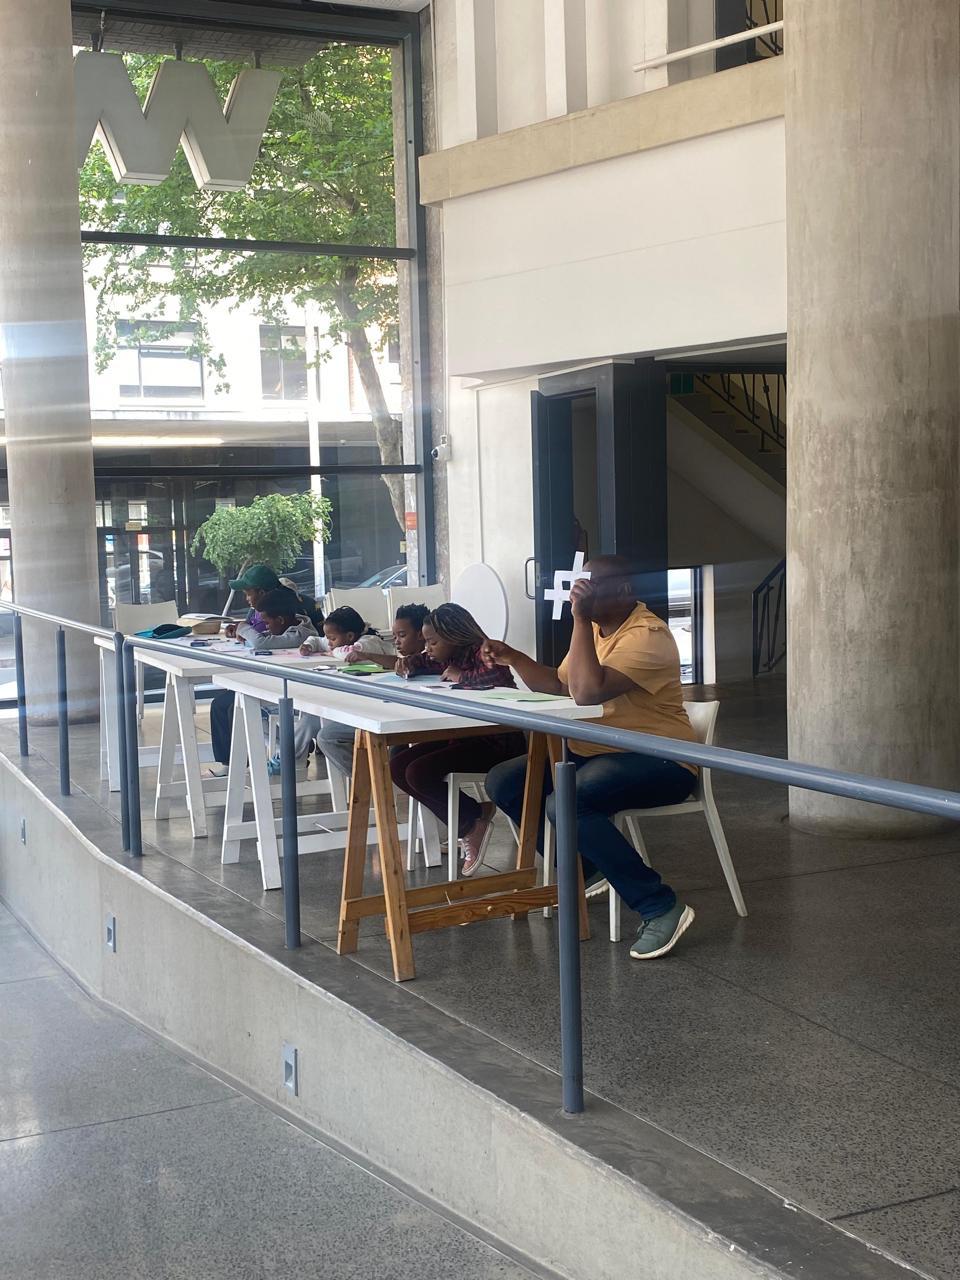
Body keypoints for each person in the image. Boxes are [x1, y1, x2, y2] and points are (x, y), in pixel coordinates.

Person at [482, 556, 699, 959]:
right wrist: (514, 657)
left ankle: (660, 905)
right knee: (506, 782)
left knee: (569, 799)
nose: (578, 593)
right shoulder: (598, 631)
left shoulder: (647, 635)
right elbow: (559, 684)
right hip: (598, 752)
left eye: (589, 586)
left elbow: (586, 693)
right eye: (578, 585)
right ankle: (589, 869)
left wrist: (579, 620)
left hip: (660, 758)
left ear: (623, 590)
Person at [389, 603, 526, 876]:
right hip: (463, 737)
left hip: (499, 742)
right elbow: (424, 661)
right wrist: (408, 663)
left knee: (418, 772)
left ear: (453, 637)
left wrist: (460, 676)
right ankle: (473, 814)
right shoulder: (446, 655)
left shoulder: (484, 651)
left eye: (432, 642)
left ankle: (469, 825)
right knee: (397, 766)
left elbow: (497, 675)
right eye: (426, 642)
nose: (428, 648)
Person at [209, 587, 318, 771]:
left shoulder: (303, 634)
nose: (266, 627)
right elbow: (267, 640)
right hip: (274, 686)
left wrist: (243, 628)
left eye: (267, 622)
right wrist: (247, 637)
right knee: (222, 704)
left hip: (289, 691)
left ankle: (281, 754)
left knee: (237, 708)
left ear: (280, 620)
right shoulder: (287, 626)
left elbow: (262, 642)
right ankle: (231, 763)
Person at [294, 606, 393, 770]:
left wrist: (331, 652)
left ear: (350, 636)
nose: (329, 643)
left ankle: (369, 779)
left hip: (373, 707)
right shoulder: (340, 640)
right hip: (356, 701)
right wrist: (308, 645)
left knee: (323, 732)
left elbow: (347, 653)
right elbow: (317, 640)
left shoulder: (369, 643)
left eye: (332, 639)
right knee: (311, 719)